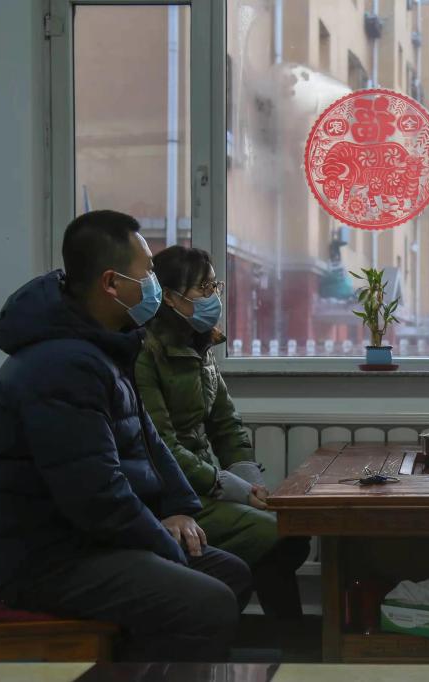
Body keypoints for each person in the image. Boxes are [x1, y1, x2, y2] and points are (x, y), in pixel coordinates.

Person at [0, 210, 252, 662]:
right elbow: (95, 496)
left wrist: (178, 508)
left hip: (89, 542)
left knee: (230, 573)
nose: (154, 285)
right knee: (209, 601)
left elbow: (150, 443)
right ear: (111, 284)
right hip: (49, 558)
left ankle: (135, 664)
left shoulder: (102, 348)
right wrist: (163, 546)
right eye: (148, 272)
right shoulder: (62, 366)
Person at [135, 245, 310, 620]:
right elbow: (161, 446)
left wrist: (251, 483)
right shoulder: (146, 352)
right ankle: (277, 633)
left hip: (203, 485)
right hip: (171, 495)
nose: (212, 296)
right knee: (279, 537)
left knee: (290, 532)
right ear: (170, 297)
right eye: (203, 288)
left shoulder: (200, 345)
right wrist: (228, 487)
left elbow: (226, 424)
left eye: (214, 286)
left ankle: (282, 634)